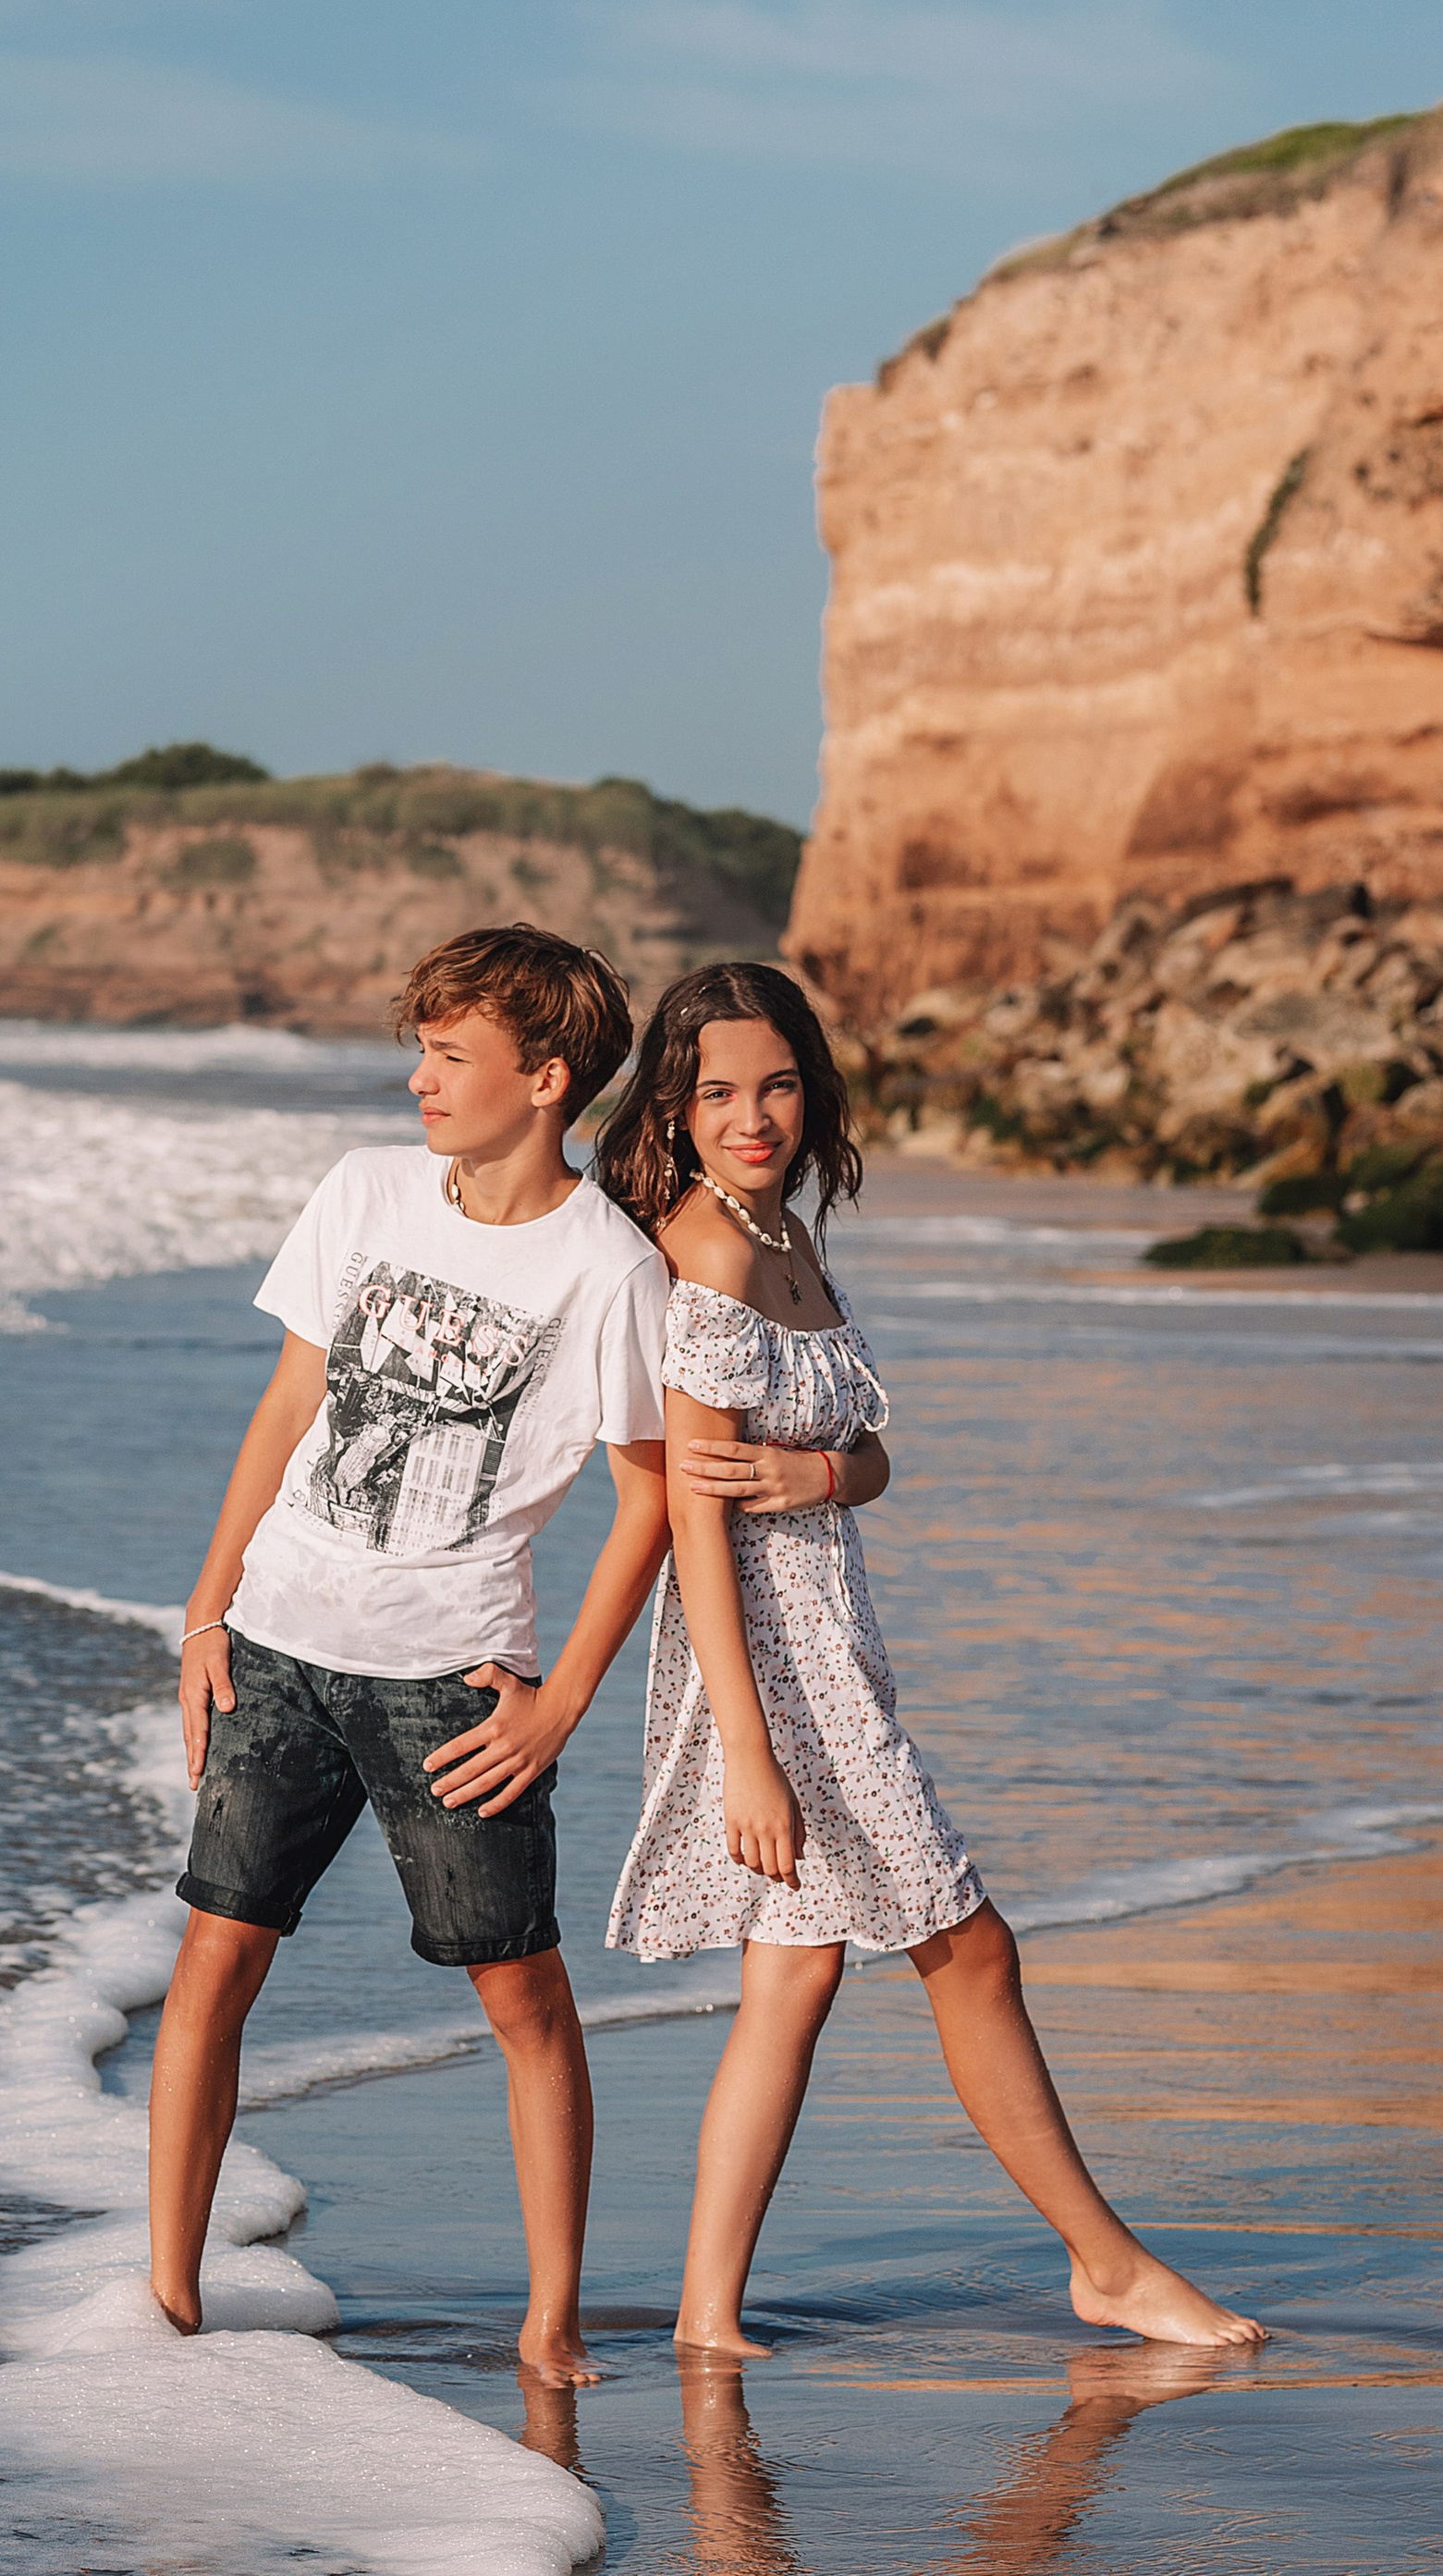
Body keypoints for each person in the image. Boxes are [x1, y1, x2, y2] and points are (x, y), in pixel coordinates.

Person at [593, 958, 1265, 2360]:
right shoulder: (707, 1251)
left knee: (794, 1977)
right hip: (773, 1674)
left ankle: (705, 2319)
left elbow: (873, 1452)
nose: (753, 1114)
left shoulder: (789, 1236)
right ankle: (1108, 2265)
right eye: (718, 1091)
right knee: (970, 1947)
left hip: (837, 1642)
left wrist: (826, 1475)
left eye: (776, 1083)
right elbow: (691, 1527)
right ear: (675, 1102)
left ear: (810, 1086)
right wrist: (750, 1755)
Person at [150, 925, 673, 2386]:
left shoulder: (608, 1270)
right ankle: (169, 2301)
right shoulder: (365, 1193)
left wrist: (564, 1697)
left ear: (546, 1076)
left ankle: (552, 2319)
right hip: (277, 1649)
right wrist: (205, 1613)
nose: (416, 1081)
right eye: (422, 1048)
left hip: (454, 1684)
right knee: (215, 1963)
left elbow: (651, 1500)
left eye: (449, 1055)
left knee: (521, 1996)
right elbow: (287, 1406)